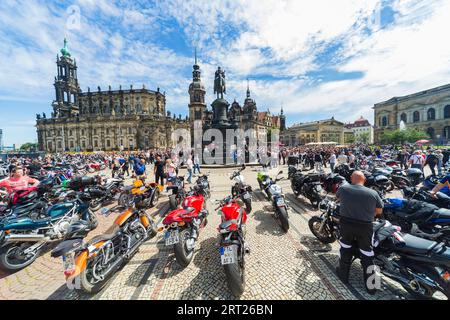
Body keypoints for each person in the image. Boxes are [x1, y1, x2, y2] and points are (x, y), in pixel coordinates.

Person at [335, 171, 384, 294]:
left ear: (352, 178)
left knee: (345, 248)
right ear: (364, 180)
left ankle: (343, 276)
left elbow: (337, 198)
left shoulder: (343, 188)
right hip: (365, 227)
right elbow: (379, 211)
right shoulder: (373, 193)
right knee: (367, 254)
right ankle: (372, 288)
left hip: (346, 224)